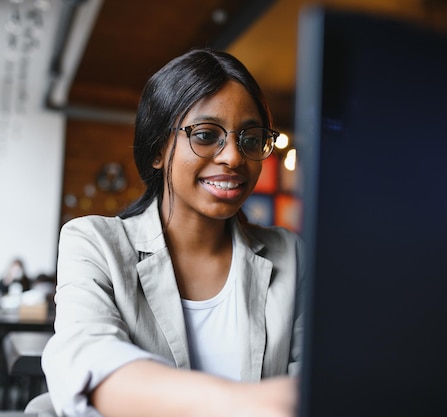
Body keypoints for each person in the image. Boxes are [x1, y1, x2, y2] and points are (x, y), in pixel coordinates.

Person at [41, 48, 304, 417]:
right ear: (157, 150)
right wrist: (238, 404)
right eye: (206, 134)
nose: (233, 156)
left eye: (249, 138)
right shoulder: (94, 243)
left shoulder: (291, 255)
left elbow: (317, 385)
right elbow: (88, 360)